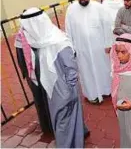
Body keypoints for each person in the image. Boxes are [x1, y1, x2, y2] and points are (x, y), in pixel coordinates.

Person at [20, 8, 89, 148]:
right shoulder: (40, 42)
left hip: (65, 90)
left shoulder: (59, 42)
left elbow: (71, 69)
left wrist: (69, 92)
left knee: (63, 120)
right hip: (52, 89)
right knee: (63, 119)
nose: (26, 31)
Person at [65, 0, 112, 104]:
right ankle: (92, 95)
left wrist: (108, 43)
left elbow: (107, 26)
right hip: (82, 48)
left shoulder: (99, 7)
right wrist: (72, 48)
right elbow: (68, 30)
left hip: (99, 47)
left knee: (103, 69)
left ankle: (106, 90)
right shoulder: (71, 9)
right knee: (86, 72)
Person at [15, 27, 54, 135]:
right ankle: (47, 127)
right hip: (33, 74)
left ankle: (51, 125)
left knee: (47, 98)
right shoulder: (21, 37)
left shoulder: (42, 30)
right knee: (40, 100)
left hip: (43, 72)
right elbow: (20, 57)